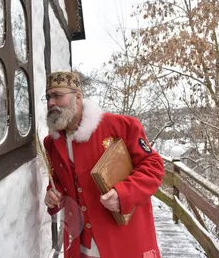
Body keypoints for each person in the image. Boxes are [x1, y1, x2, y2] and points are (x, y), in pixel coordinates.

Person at [42, 71, 165, 258]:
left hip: (122, 240)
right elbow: (59, 180)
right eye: (48, 97)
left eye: (58, 95)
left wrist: (123, 194)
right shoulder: (51, 143)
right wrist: (54, 193)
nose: (51, 102)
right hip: (79, 243)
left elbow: (153, 166)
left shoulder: (122, 126)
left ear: (77, 96)